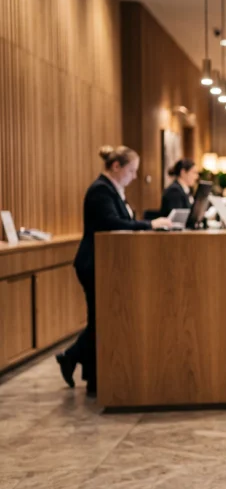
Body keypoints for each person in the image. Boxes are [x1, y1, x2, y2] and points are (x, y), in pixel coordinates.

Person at [56, 146, 173, 397]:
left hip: (109, 264)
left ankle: (81, 367)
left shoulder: (113, 190)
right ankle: (80, 366)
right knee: (101, 321)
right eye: (131, 171)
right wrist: (150, 225)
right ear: (116, 167)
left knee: (101, 320)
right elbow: (112, 224)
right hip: (94, 263)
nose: (134, 176)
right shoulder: (101, 191)